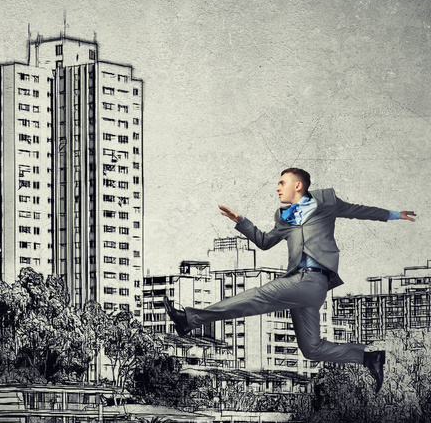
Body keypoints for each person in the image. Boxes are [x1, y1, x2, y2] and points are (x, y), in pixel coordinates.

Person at [164, 168, 417, 393]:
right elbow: (264, 242)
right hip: (302, 286)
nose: (277, 188)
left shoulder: (326, 201)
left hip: (312, 280)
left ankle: (190, 319)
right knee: (312, 349)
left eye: (281, 182)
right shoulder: (284, 217)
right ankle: (368, 357)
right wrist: (241, 221)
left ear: (298, 185)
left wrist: (395, 214)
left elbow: (358, 211)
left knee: (259, 296)